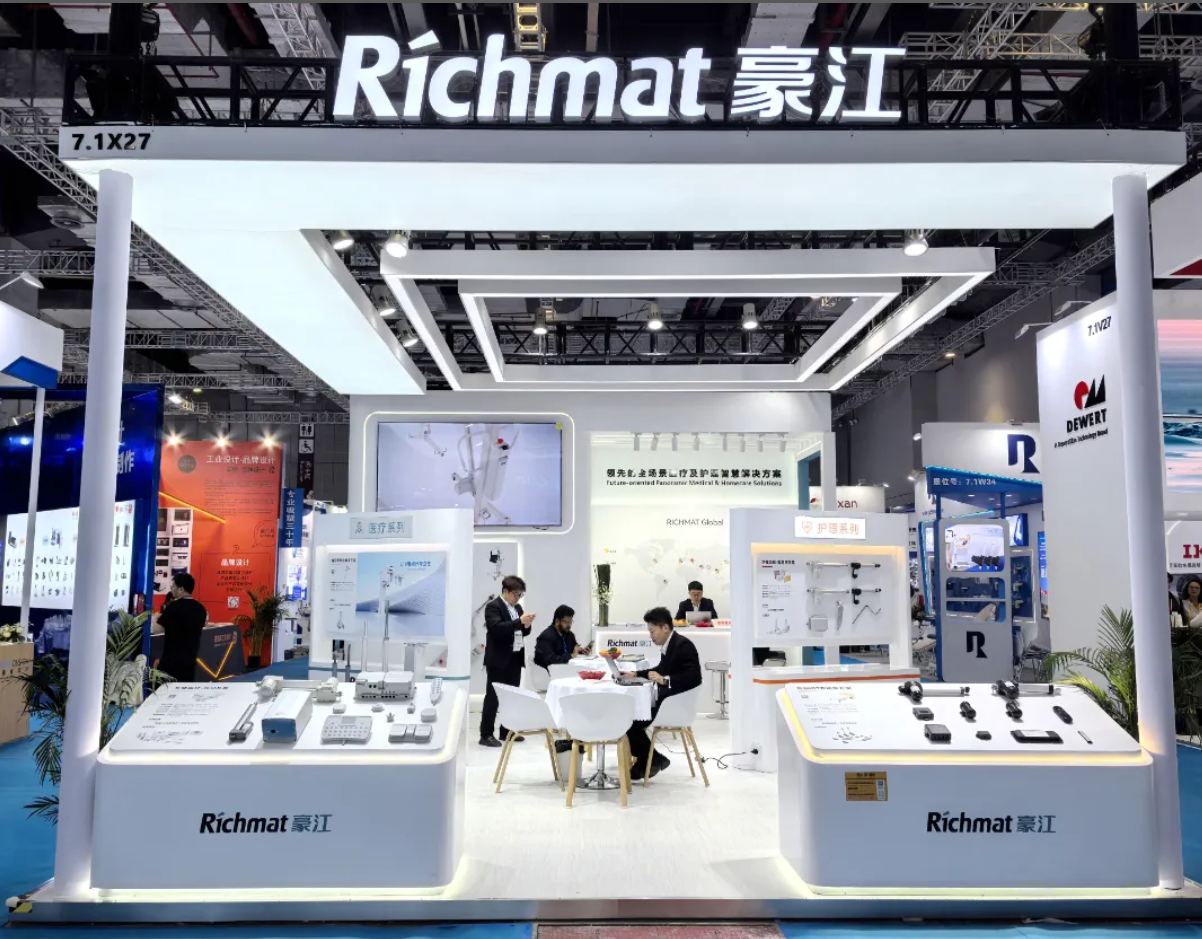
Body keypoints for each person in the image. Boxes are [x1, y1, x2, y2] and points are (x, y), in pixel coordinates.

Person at [623, 606, 702, 780]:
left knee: (629, 720)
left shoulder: (683, 645)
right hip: (669, 701)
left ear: (665, 627)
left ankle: (652, 760)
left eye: (652, 631)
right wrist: (636, 674)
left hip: (676, 705)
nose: (650, 636)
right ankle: (650, 760)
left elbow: (694, 676)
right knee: (630, 718)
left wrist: (665, 680)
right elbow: (660, 669)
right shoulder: (671, 644)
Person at [480, 575, 535, 748]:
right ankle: (486, 734)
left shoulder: (517, 607)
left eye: (520, 594)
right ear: (505, 591)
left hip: (515, 658)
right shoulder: (493, 606)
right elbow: (496, 629)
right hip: (498, 659)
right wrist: (519, 621)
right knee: (493, 697)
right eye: (516, 594)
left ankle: (506, 731)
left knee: (511, 697)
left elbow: (522, 632)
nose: (518, 598)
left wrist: (527, 625)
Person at [156, 573, 208, 682]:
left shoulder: (173, 607)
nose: (171, 588)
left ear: (181, 589)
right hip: (189, 663)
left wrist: (157, 617)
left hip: (170, 664)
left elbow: (157, 630)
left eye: (174, 585)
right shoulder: (201, 609)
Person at [534, 604, 590, 669]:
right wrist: (571, 656)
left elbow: (574, 650)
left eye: (570, 621)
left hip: (567, 669)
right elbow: (549, 659)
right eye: (566, 621)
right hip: (550, 672)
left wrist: (581, 651)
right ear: (557, 621)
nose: (569, 625)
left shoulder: (569, 635)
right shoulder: (546, 637)